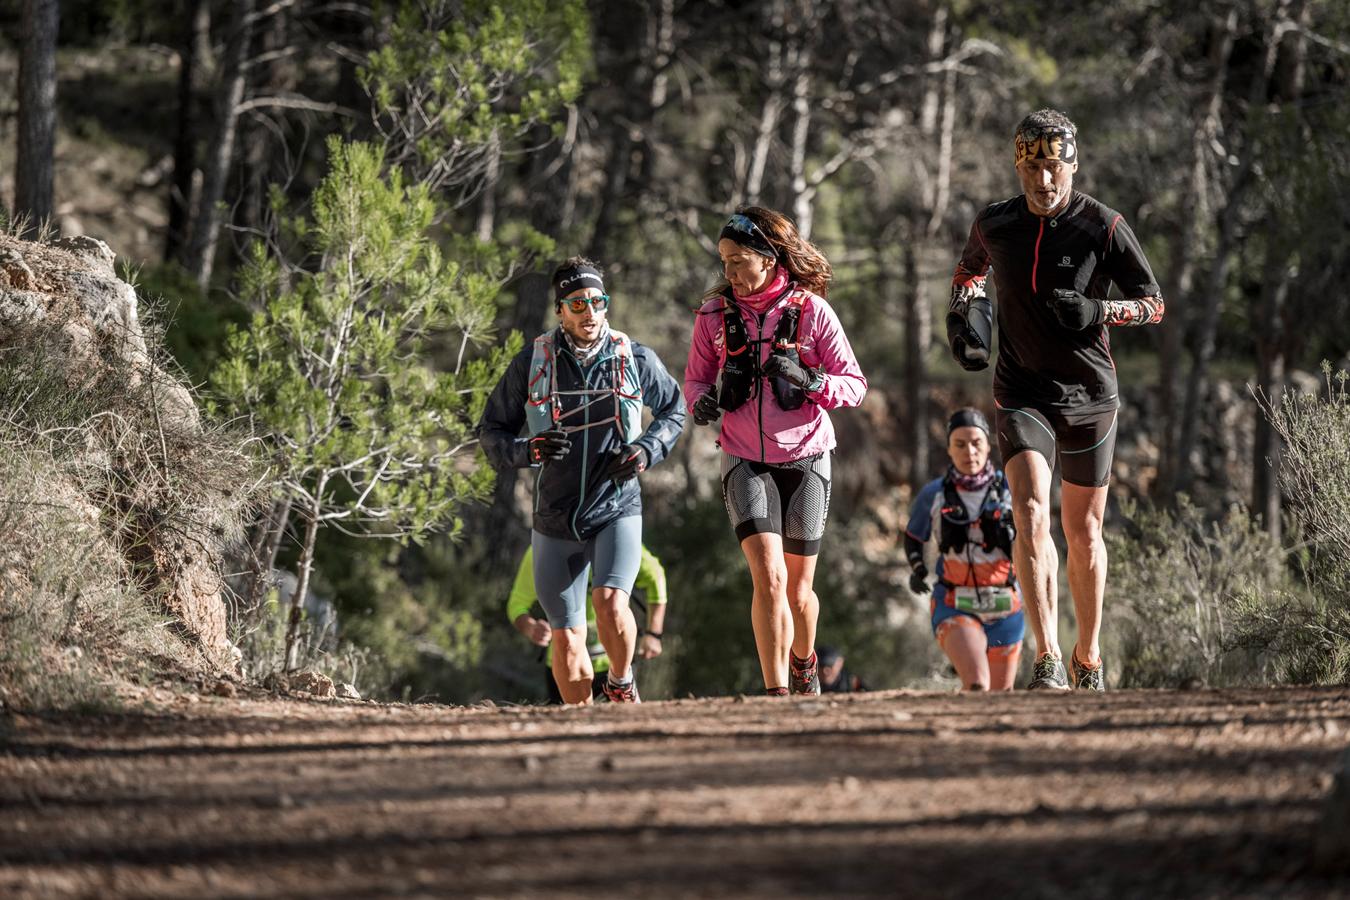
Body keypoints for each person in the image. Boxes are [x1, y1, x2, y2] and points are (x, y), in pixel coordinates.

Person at [946, 109, 1164, 691]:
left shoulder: (1104, 226)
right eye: (1032, 167)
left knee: (1084, 533)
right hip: (1022, 392)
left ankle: (1087, 656)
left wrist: (1102, 311)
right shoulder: (995, 223)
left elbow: (1154, 303)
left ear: (1073, 165)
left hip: (1091, 397)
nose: (1044, 181)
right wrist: (966, 316)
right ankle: (1046, 657)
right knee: (1030, 512)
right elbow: (968, 273)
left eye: (1054, 168)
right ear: (1018, 165)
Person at [478, 257, 685, 704]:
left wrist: (647, 449)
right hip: (554, 519)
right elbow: (490, 431)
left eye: (597, 301)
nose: (590, 312)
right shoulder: (532, 362)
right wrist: (526, 451)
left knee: (612, 600)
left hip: (616, 508)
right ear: (560, 311)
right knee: (568, 643)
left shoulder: (634, 357)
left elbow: (675, 409)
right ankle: (585, 729)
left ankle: (623, 681)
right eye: (577, 303)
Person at [685, 207, 867, 696]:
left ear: (768, 258)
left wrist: (810, 380)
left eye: (739, 261)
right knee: (767, 576)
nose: (730, 274)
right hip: (744, 456)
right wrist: (700, 403)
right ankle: (776, 693)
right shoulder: (713, 315)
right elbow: (696, 378)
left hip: (807, 457)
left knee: (798, 590)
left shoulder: (812, 311)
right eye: (724, 262)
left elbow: (855, 385)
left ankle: (804, 660)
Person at [903, 409, 1023, 691]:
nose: (969, 451)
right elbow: (912, 537)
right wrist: (918, 570)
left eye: (976, 443)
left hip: (1006, 606)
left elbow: (1038, 537)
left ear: (988, 445)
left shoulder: (1011, 489)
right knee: (977, 684)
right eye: (960, 444)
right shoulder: (934, 494)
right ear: (948, 449)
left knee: (1000, 696)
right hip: (954, 603)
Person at [507, 543, 669, 703]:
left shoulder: (614, 538)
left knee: (618, 725)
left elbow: (655, 576)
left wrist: (654, 634)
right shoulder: (543, 548)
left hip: (613, 662)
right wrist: (530, 627)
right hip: (564, 662)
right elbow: (517, 604)